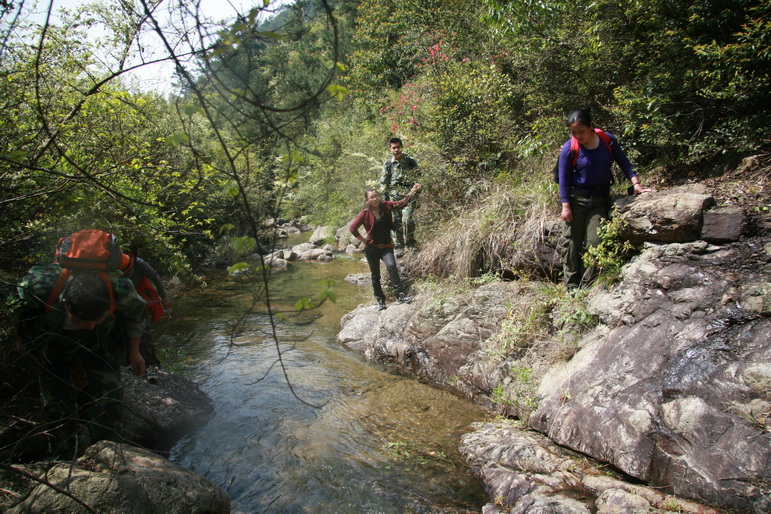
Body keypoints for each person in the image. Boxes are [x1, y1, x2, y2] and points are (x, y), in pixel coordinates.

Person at [12, 266, 147, 458]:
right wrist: (21, 339)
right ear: (65, 304)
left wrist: (135, 352)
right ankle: (62, 454)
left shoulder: (120, 288)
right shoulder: (41, 287)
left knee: (110, 395)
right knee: (56, 401)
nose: (89, 326)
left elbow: (137, 314)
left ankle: (108, 452)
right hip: (55, 342)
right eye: (80, 321)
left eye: (97, 320)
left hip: (100, 343)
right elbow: (16, 306)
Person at [558, 108, 651, 290]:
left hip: (599, 200)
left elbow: (623, 162)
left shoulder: (607, 140)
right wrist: (565, 205)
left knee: (595, 242)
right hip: (576, 201)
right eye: (573, 132)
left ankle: (586, 285)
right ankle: (571, 286)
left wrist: (636, 183)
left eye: (581, 131)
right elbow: (563, 178)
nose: (577, 136)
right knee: (572, 243)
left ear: (591, 126)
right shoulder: (570, 148)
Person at [350, 183, 422, 311]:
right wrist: (364, 240)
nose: (375, 199)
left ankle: (399, 295)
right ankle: (380, 301)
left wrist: (413, 191)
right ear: (367, 200)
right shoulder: (364, 213)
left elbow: (401, 203)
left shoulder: (386, 206)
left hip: (386, 245)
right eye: (372, 197)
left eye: (376, 196)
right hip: (372, 248)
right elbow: (353, 228)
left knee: (392, 266)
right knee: (375, 275)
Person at [380, 137, 419, 249]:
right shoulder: (388, 164)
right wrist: (384, 202)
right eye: (393, 148)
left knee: (407, 220)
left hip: (409, 198)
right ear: (390, 149)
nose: (396, 150)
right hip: (394, 199)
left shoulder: (409, 161)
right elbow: (384, 184)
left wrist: (415, 191)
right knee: (396, 223)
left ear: (401, 147)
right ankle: (399, 247)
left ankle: (411, 244)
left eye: (398, 147)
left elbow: (419, 178)